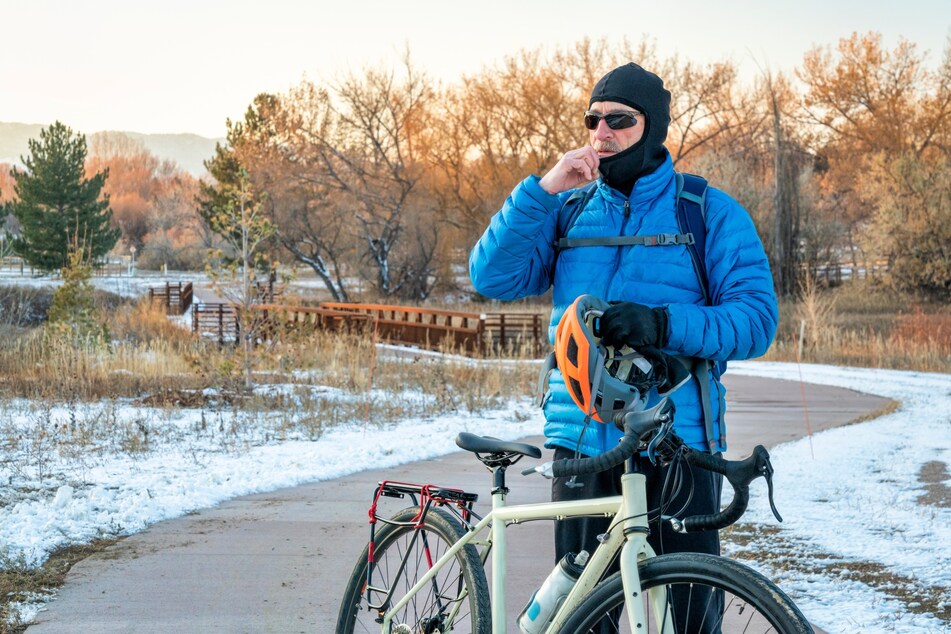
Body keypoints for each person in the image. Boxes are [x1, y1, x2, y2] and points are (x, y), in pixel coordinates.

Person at [469, 62, 779, 628]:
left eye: (619, 120)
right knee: (587, 618)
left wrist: (663, 324)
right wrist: (542, 190)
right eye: (593, 119)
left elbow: (756, 320)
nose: (601, 132)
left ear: (654, 127)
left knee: (685, 616)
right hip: (584, 441)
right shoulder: (568, 210)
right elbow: (491, 276)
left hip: (679, 443)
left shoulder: (706, 213)